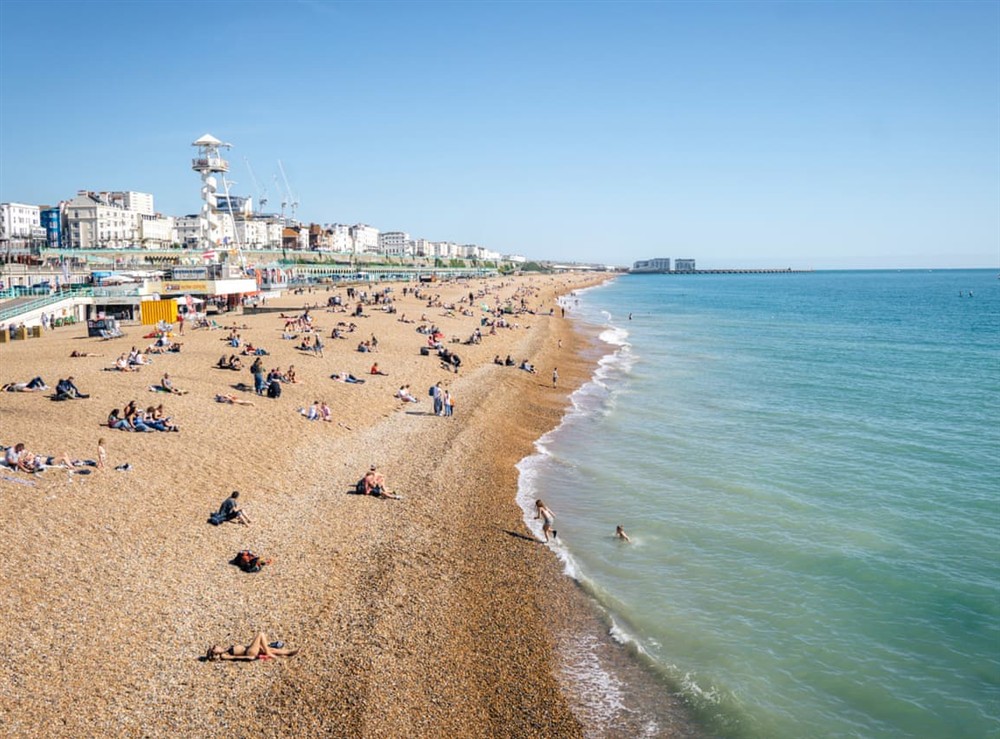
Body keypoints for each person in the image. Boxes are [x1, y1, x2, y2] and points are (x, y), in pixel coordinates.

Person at [205, 633, 298, 661]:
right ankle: (269, 652)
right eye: (214, 647)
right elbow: (234, 658)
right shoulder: (224, 655)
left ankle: (289, 653)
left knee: (271, 649)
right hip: (249, 652)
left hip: (249, 649)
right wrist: (249, 657)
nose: (216, 646)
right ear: (214, 653)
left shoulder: (225, 649)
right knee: (260, 634)